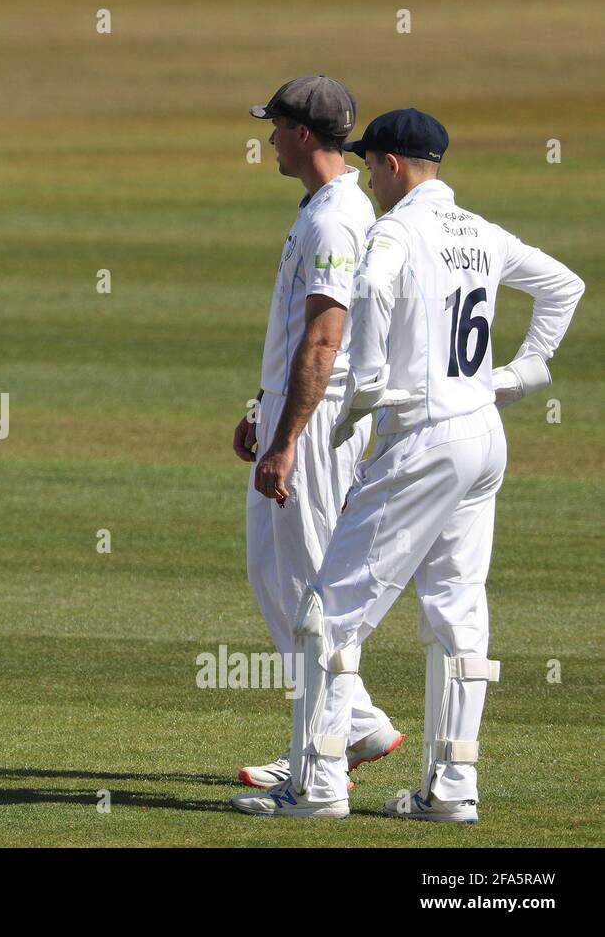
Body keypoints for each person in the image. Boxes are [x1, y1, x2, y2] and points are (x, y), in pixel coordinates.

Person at [231, 109, 584, 820]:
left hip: (422, 437)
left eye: (373, 163)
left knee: (325, 615)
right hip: (483, 434)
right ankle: (452, 790)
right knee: (458, 616)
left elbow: (369, 292)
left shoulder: (393, 230)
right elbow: (564, 287)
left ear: (392, 164)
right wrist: (522, 375)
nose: (368, 174)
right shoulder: (480, 231)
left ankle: (318, 785)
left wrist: (362, 390)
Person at [234, 76, 400, 789]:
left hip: (318, 420)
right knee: (276, 577)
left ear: (305, 134)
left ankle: (322, 745)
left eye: (276, 126)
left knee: (309, 589)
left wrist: (286, 436)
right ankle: (355, 726)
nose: (268, 137)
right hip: (295, 409)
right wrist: (264, 407)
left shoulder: (336, 220)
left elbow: (325, 342)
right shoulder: (324, 209)